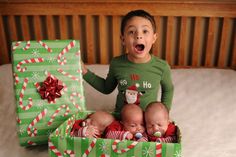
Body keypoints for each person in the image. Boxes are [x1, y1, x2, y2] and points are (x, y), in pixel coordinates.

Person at [82, 9, 174, 118]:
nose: (138, 36)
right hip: (122, 118)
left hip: (148, 120)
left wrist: (164, 113)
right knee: (96, 120)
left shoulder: (161, 66)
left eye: (145, 31)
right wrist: (84, 71)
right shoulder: (117, 63)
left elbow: (168, 89)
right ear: (123, 39)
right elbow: (106, 88)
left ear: (154, 38)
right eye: (131, 32)